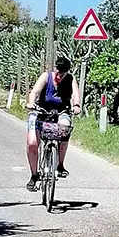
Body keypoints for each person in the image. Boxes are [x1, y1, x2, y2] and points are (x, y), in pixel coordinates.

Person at [25, 55, 81, 190]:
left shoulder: (70, 79)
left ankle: (60, 164)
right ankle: (34, 175)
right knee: (32, 143)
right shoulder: (46, 76)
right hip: (41, 111)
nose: (59, 74)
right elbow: (35, 91)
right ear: (54, 68)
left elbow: (75, 95)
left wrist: (77, 105)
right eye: (58, 70)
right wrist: (31, 102)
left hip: (61, 112)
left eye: (63, 71)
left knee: (65, 129)